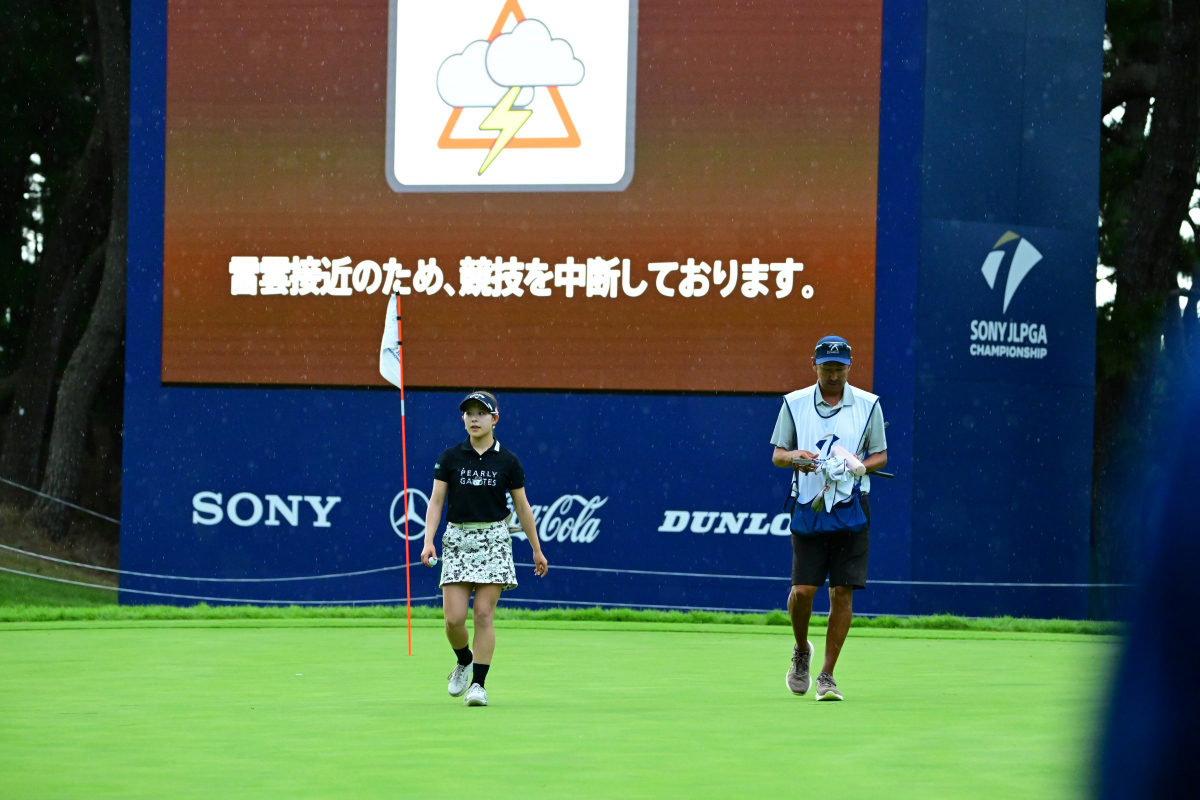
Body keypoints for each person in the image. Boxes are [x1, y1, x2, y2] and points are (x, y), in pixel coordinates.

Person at [770, 335, 887, 701]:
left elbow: (880, 456)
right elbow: (778, 454)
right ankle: (802, 650)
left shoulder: (869, 405)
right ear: (814, 365)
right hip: (810, 505)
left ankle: (826, 675)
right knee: (803, 592)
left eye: (839, 368)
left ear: (849, 367)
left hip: (851, 508)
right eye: (826, 368)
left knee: (842, 591)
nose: (833, 375)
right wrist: (796, 458)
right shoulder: (795, 402)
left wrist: (858, 465)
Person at [420, 391, 549, 707]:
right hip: (458, 540)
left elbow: (522, 505)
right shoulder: (450, 458)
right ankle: (464, 659)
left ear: (495, 419)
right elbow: (436, 501)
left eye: (481, 413)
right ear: (463, 419)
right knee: (453, 620)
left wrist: (536, 548)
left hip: (494, 540)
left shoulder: (508, 461)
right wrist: (428, 540)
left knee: (482, 614)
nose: (474, 418)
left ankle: (478, 684)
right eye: (469, 413)